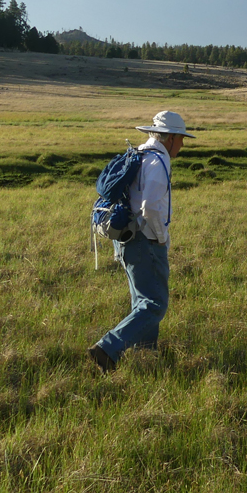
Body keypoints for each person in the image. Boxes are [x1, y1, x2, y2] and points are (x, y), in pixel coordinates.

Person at [87, 111, 194, 373]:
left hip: (125, 238)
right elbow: (151, 209)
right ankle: (107, 348)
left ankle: (147, 357)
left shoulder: (139, 154)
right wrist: (162, 239)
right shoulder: (159, 162)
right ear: (169, 138)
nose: (182, 144)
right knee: (155, 305)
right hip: (144, 240)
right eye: (180, 139)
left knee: (143, 301)